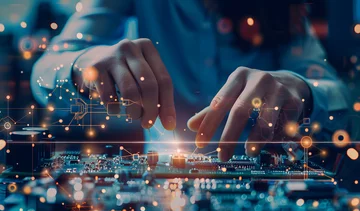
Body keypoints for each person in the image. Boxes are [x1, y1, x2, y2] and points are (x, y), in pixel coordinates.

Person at [31, 0, 350, 161]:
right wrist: (80, 65)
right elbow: (46, 70)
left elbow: (342, 104)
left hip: (273, 208)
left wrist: (302, 91)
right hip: (165, 205)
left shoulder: (285, 8)